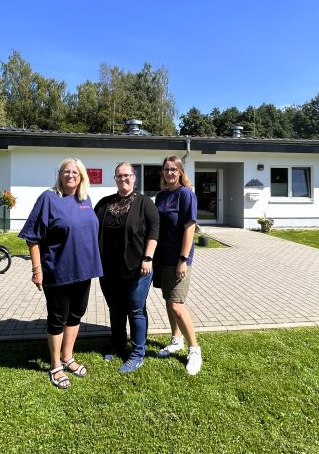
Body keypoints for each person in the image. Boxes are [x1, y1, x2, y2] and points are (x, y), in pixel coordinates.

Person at [19, 158, 103, 389]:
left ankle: (68, 357)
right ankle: (55, 365)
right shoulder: (49, 198)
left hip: (84, 270)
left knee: (76, 315)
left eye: (75, 172)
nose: (70, 175)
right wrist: (37, 269)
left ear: (82, 176)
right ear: (60, 174)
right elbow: (32, 237)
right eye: (66, 171)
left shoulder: (85, 199)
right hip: (58, 271)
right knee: (58, 318)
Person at [94, 162, 160, 373]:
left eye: (126, 175)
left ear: (134, 177)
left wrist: (148, 258)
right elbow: (91, 228)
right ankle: (118, 344)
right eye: (119, 176)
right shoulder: (104, 203)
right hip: (108, 269)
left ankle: (138, 353)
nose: (123, 179)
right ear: (115, 179)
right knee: (115, 310)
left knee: (135, 310)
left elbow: (154, 231)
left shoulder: (144, 203)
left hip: (137, 269)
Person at [153, 155, 202, 375]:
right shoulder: (161, 196)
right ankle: (176, 339)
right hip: (162, 257)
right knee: (168, 299)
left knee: (176, 305)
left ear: (180, 172)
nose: (169, 173)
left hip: (178, 259)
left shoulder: (186, 194)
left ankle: (194, 349)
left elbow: (189, 228)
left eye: (173, 169)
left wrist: (183, 259)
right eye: (166, 169)